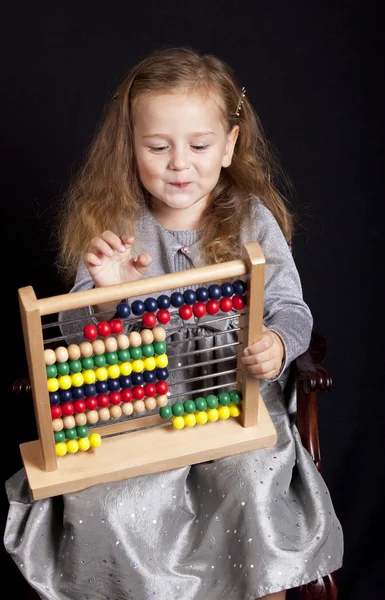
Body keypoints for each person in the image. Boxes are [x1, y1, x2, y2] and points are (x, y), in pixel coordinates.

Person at [4, 47, 343, 600]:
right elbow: (71, 339)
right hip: (144, 417)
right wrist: (109, 298)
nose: (178, 163)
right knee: (108, 502)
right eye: (157, 146)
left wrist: (277, 345)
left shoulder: (251, 219)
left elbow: (291, 310)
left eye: (199, 145)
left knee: (249, 484)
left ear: (230, 145)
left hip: (236, 410)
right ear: (130, 149)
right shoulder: (117, 226)